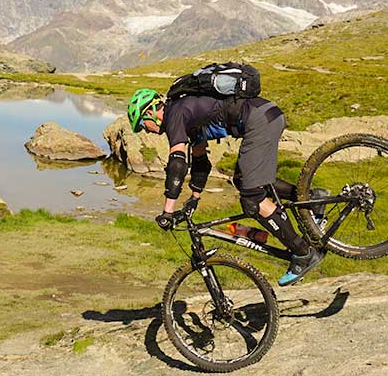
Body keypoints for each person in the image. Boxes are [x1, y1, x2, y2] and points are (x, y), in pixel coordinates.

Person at [127, 87, 323, 286]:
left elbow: (177, 164)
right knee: (243, 180)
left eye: (143, 125)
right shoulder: (185, 114)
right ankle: (313, 199)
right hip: (267, 113)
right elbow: (201, 162)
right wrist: (194, 198)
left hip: (258, 122)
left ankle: (303, 253)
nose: (146, 130)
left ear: (150, 112)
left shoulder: (174, 114)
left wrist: (167, 211)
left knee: (252, 200)